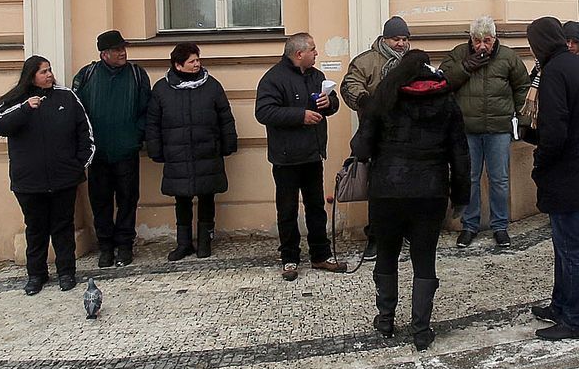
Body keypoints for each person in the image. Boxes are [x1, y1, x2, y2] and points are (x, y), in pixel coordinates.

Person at [352, 49, 469, 349]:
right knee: (424, 259)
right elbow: (460, 153)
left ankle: (386, 319)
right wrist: (461, 194)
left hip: (387, 190)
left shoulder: (384, 97)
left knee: (387, 254)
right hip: (430, 191)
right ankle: (421, 329)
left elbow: (362, 148)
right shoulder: (446, 99)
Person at [0, 55, 96, 295]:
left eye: (49, 70)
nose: (48, 75)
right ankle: (36, 275)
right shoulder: (15, 101)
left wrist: (79, 165)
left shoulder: (66, 97)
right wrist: (25, 109)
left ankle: (67, 272)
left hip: (64, 179)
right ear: (31, 76)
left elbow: (85, 133)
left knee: (63, 228)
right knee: (35, 230)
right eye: (42, 72)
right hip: (29, 182)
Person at [523, 17, 579, 341]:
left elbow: (555, 131)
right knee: (563, 245)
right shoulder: (578, 64)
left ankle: (576, 320)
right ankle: (561, 304)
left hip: (568, 171)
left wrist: (540, 161)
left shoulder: (554, 72)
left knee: (572, 249)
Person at [254, 32, 342, 280]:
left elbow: (332, 103)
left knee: (316, 207)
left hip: (313, 154)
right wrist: (299, 116)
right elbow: (264, 112)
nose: (317, 53)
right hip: (286, 157)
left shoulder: (317, 76)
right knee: (287, 209)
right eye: (313, 49)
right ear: (299, 54)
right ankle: (289, 258)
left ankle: (320, 255)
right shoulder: (273, 79)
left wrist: (330, 103)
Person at [443, 16, 531, 250]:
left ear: (495, 39)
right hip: (467, 129)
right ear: (471, 39)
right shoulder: (459, 53)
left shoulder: (508, 57)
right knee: (469, 179)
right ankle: (469, 226)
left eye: (487, 41)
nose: (482, 46)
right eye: (478, 40)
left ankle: (499, 226)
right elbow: (443, 81)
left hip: (498, 128)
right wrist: (465, 67)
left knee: (499, 180)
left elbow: (522, 87)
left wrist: (523, 119)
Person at [144, 42, 238, 261]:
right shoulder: (161, 89)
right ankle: (183, 244)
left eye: (198, 60)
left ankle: (205, 242)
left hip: (207, 152)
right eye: (192, 61)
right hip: (177, 155)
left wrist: (228, 143)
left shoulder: (212, 86)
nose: (197, 64)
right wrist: (155, 150)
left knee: (207, 198)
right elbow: (152, 124)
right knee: (182, 200)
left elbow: (225, 117)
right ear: (178, 65)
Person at [74, 30, 152, 268]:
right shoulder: (87, 76)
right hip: (97, 154)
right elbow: (77, 113)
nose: (123, 53)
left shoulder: (137, 75)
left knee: (128, 199)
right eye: (117, 50)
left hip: (126, 151)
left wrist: (136, 136)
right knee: (100, 201)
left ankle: (125, 245)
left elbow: (146, 111)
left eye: (123, 48)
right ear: (104, 54)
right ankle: (106, 246)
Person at [343, 16, 413, 258]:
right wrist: (364, 100)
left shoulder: (413, 62)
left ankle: (404, 232)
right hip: (377, 136)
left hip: (407, 136)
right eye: (396, 39)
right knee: (378, 190)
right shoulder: (366, 61)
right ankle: (375, 236)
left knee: (406, 187)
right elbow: (350, 85)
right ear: (385, 39)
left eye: (405, 39)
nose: (401, 43)